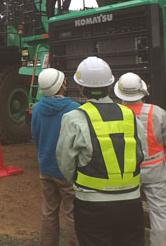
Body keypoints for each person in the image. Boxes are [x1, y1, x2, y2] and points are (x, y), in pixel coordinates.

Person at [56, 56, 146, 246]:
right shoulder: (129, 115)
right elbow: (141, 152)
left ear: (80, 87)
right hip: (131, 202)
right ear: (110, 85)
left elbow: (65, 162)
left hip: (92, 204)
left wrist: (79, 182)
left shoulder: (73, 118)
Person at [114, 73, 166, 246]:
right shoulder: (157, 112)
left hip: (128, 172)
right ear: (142, 90)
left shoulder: (116, 114)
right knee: (159, 212)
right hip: (155, 170)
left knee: (126, 210)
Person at [31, 68, 79, 246]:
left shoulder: (37, 109)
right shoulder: (75, 109)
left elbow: (35, 135)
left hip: (46, 168)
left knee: (49, 212)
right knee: (73, 213)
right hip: (68, 172)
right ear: (62, 85)